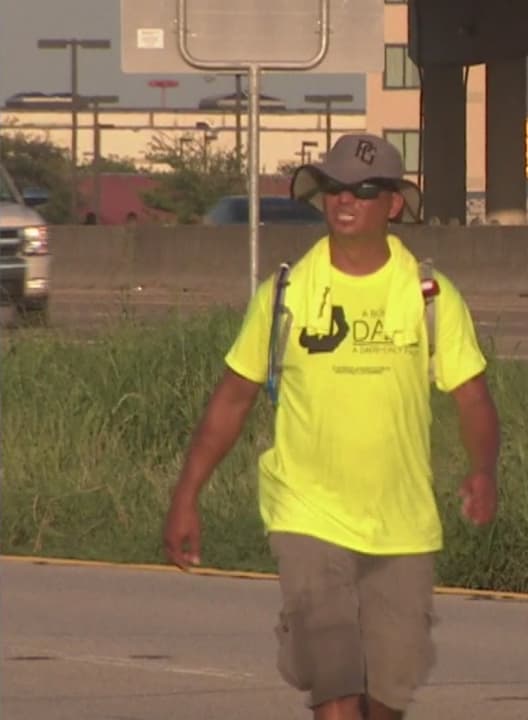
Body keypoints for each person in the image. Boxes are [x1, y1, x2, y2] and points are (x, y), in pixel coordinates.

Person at [162, 133, 501, 720]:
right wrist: (186, 495)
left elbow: (473, 399)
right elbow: (233, 399)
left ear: (393, 203)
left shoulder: (428, 294)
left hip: (403, 525)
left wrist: (484, 471)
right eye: (334, 188)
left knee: (387, 696)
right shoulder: (286, 293)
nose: (345, 201)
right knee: (335, 686)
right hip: (308, 514)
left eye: (364, 190)